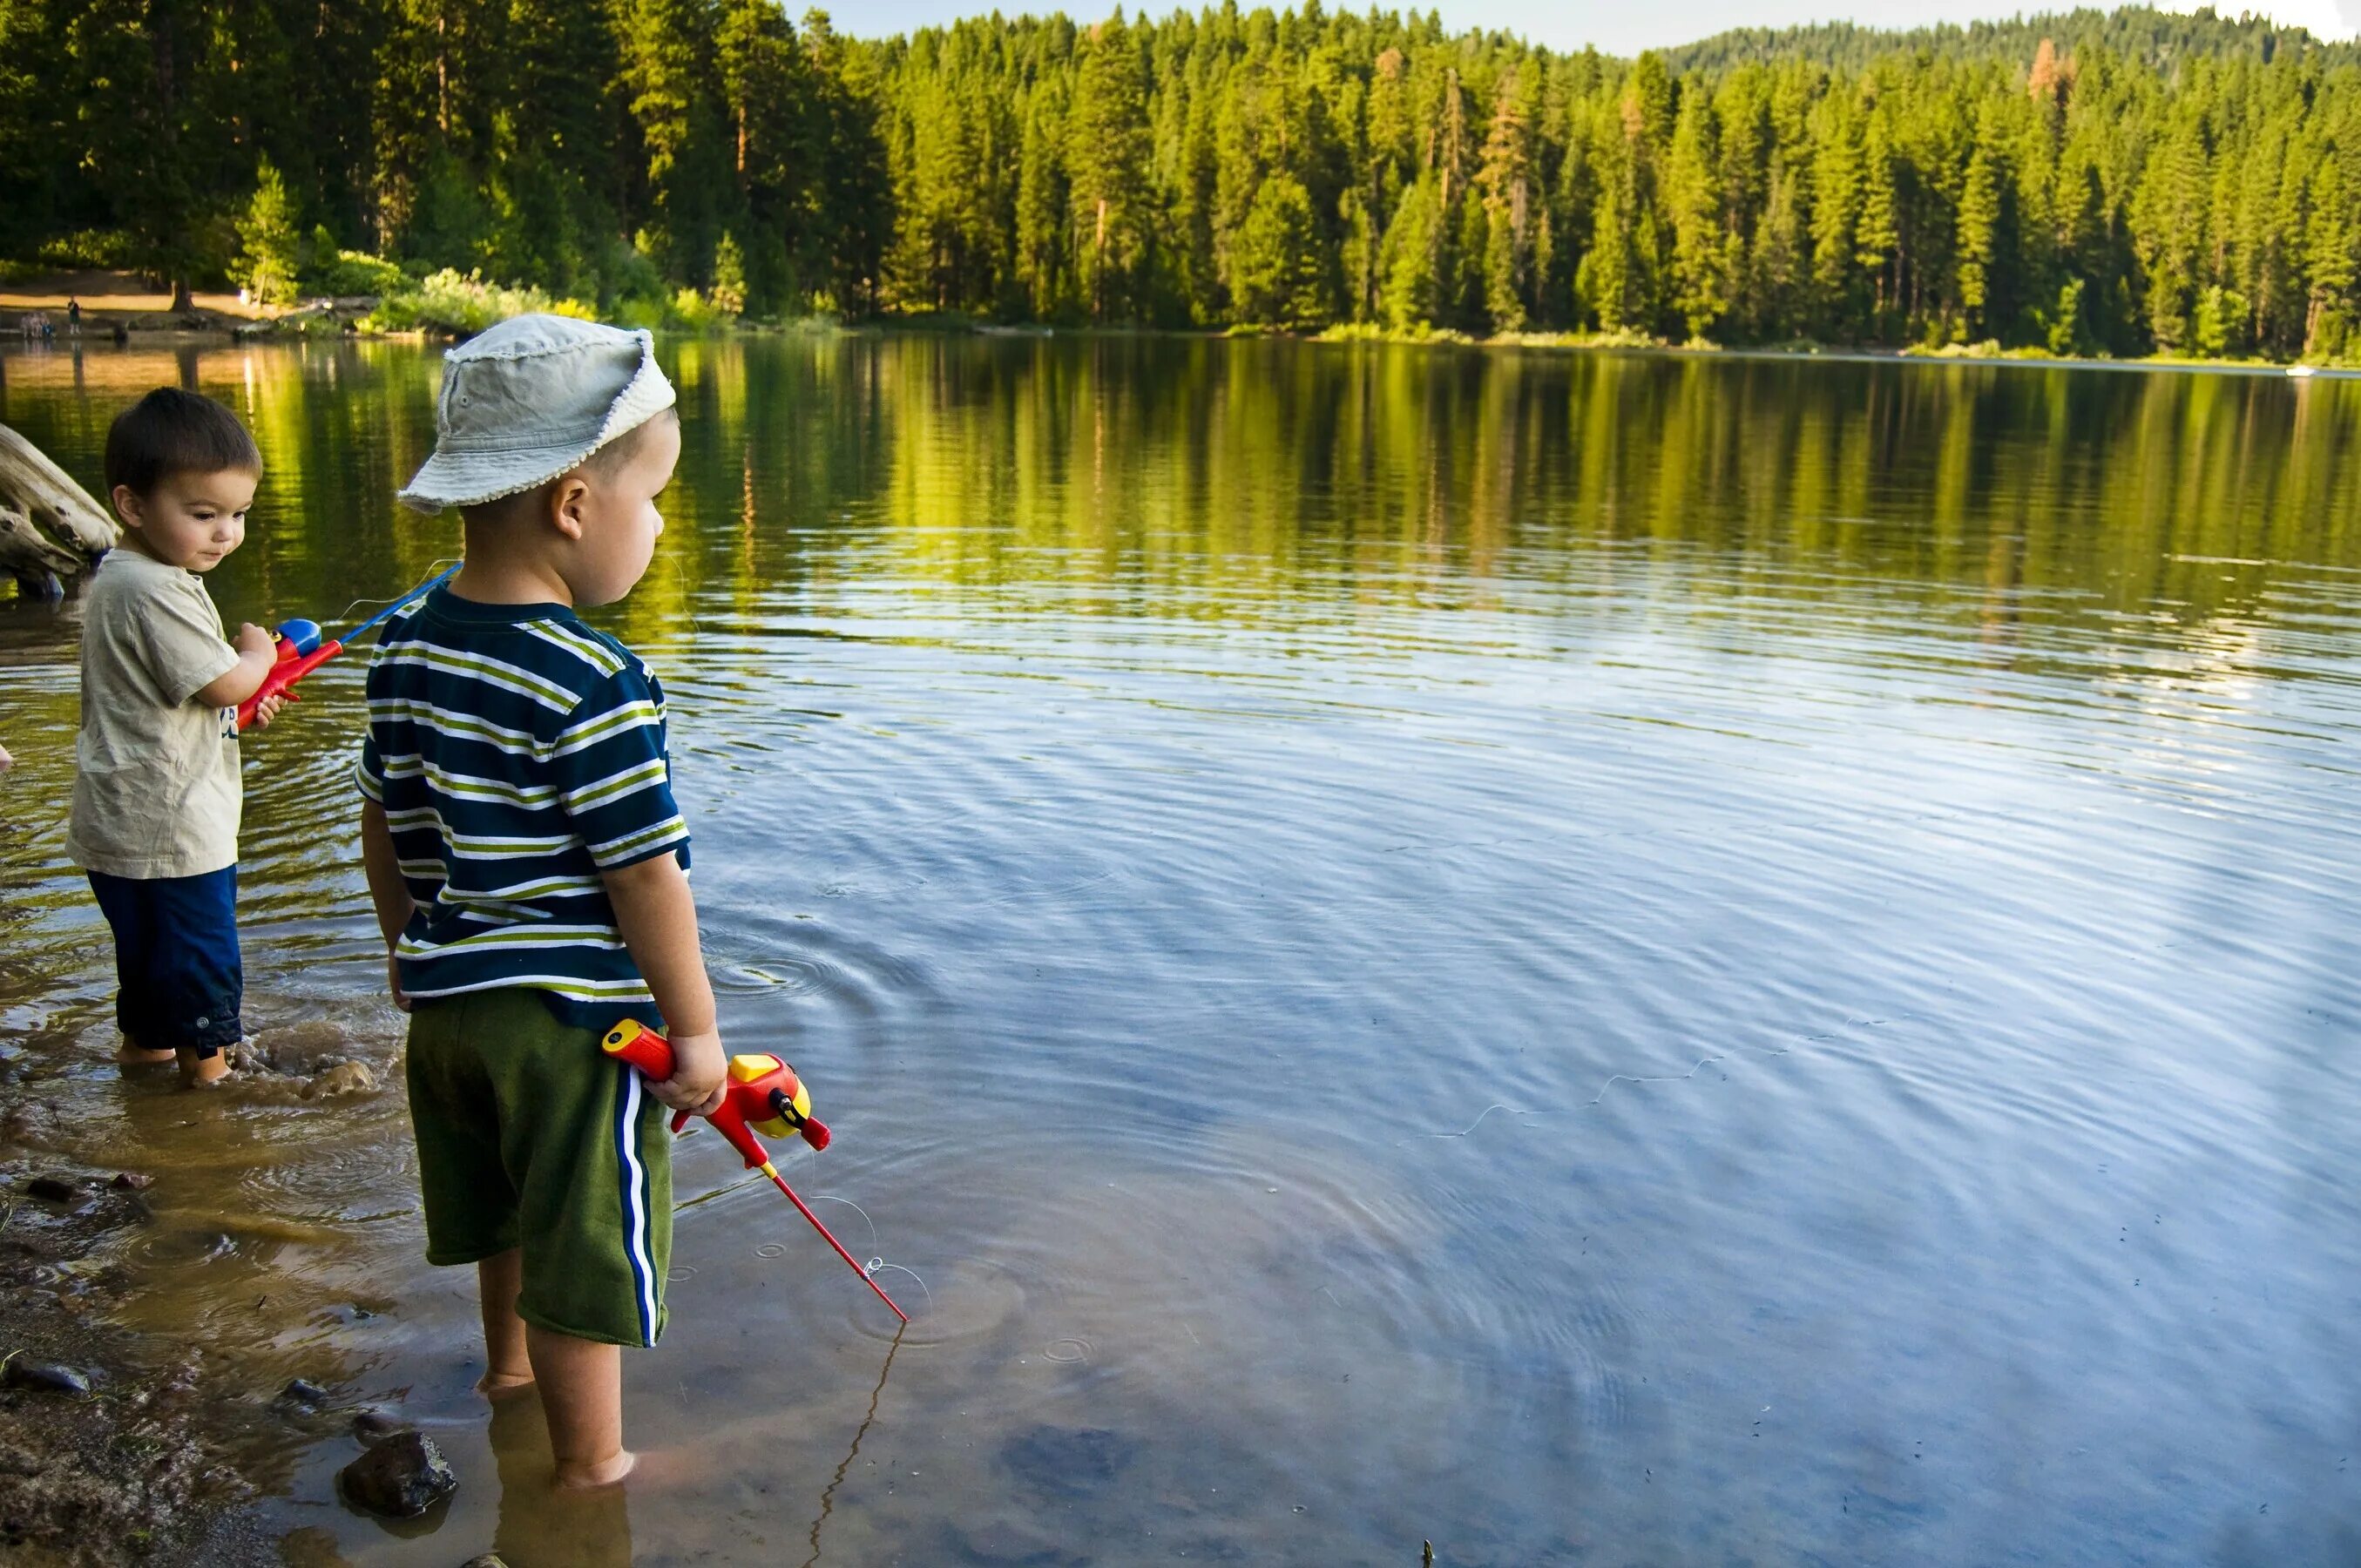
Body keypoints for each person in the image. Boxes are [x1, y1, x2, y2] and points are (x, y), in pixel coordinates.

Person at [355, 314, 724, 1490]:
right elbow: (642, 875)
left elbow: (381, 816)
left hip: (450, 1013)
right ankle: (590, 1472)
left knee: (505, 1211)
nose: (660, 525)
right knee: (580, 1244)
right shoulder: (595, 678)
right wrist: (700, 1034)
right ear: (572, 505)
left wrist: (408, 949)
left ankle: (504, 1379)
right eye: (653, 499)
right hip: (567, 1029)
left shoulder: (406, 640)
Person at [67, 389, 288, 1088]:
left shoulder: (130, 574)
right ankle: (213, 1103)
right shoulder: (156, 588)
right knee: (203, 972)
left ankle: (146, 1070)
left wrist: (242, 705)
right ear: (132, 506)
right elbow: (223, 681)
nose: (226, 533)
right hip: (172, 834)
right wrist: (255, 656)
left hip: (127, 824)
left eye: (238, 515)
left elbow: (183, 699)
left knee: (153, 973)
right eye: (204, 515)